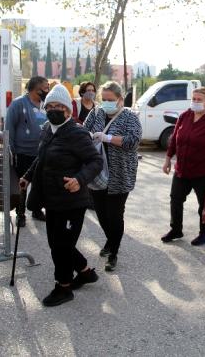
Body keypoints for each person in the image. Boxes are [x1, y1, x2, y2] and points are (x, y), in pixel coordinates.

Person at [21, 84, 103, 307]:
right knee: (56, 242)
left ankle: (63, 287)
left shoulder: (77, 133)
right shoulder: (48, 128)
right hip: (52, 198)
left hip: (72, 201)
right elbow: (41, 157)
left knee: (61, 246)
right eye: (50, 106)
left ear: (68, 110)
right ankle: (85, 272)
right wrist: (27, 176)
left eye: (59, 106)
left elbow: (96, 161)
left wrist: (80, 179)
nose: (53, 110)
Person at [84, 81, 142, 271]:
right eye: (104, 99)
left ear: (120, 99)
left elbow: (133, 141)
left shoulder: (130, 117)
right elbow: (85, 132)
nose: (107, 103)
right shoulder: (96, 112)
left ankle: (114, 252)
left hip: (120, 173)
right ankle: (110, 240)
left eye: (111, 100)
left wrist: (108, 138)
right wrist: (91, 136)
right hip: (98, 172)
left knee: (115, 215)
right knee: (101, 213)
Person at [161, 87, 205, 246]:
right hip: (182, 169)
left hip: (203, 171)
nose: (196, 102)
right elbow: (175, 138)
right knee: (175, 199)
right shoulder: (184, 116)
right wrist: (168, 158)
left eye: (199, 100)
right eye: (194, 99)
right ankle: (176, 229)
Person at [5, 76, 49, 225]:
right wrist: (10, 151)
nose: (47, 90)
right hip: (23, 152)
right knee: (23, 184)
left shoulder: (46, 104)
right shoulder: (18, 104)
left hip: (41, 153)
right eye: (45, 87)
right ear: (36, 89)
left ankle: (37, 210)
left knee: (40, 183)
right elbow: (9, 128)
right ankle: (20, 213)